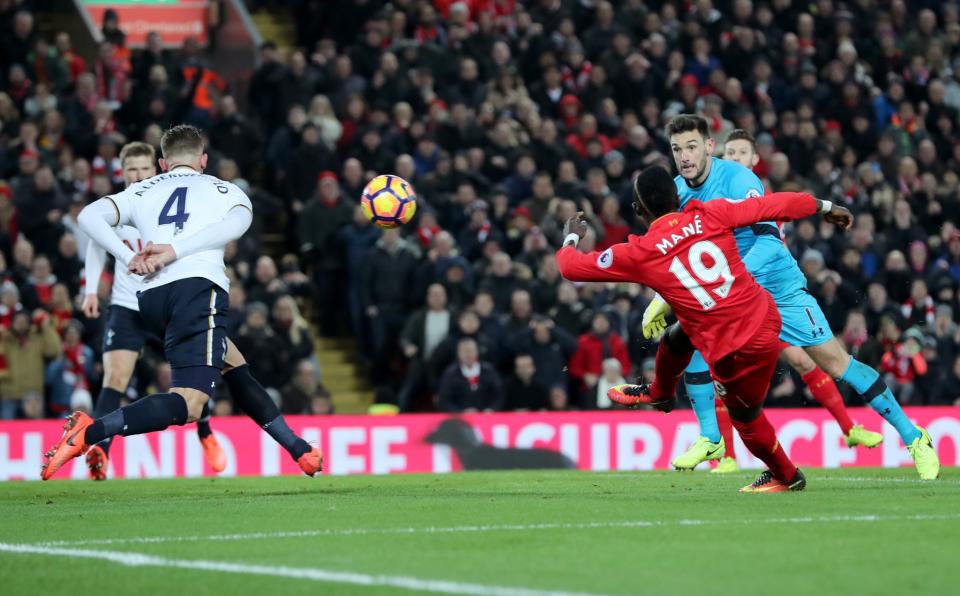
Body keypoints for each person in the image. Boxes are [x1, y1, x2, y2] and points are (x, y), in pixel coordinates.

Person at [557, 164, 920, 492]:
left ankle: (786, 475)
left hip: (736, 351)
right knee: (678, 334)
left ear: (639, 210)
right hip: (763, 317)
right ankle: (661, 392)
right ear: (676, 197)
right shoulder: (710, 213)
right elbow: (775, 205)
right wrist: (825, 207)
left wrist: (571, 237)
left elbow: (571, 268)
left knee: (745, 420)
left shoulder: (639, 251)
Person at [643, 116, 935, 479]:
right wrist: (662, 298)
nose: (684, 156)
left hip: (775, 286)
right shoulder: (677, 195)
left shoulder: (739, 180)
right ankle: (710, 437)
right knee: (693, 339)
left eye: (690, 147)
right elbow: (671, 254)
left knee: (835, 364)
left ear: (708, 146)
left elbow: (768, 239)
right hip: (732, 296)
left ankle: (915, 437)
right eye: (676, 149)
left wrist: (731, 280)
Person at [44, 125, 322, 480]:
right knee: (189, 404)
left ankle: (299, 451)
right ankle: (89, 433)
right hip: (196, 290)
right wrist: (175, 251)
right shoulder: (225, 190)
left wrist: (126, 255)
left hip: (152, 299)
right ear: (203, 160)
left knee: (234, 365)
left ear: (162, 163)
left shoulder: (140, 190)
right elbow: (234, 226)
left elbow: (87, 218)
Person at [690, 128, 883, 474]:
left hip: (769, 295)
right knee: (723, 372)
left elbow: (775, 241)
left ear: (754, 160)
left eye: (740, 154)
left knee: (805, 361)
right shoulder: (712, 195)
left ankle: (849, 429)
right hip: (736, 299)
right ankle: (727, 455)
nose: (733, 159)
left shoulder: (762, 198)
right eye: (728, 154)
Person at [80, 141, 227, 479]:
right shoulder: (119, 207)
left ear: (157, 168)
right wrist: (90, 290)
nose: (137, 175)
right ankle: (100, 453)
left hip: (169, 301)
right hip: (127, 304)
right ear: (122, 172)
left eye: (143, 169)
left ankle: (204, 430)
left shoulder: (163, 201)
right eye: (130, 170)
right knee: (115, 377)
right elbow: (95, 246)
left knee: (194, 376)